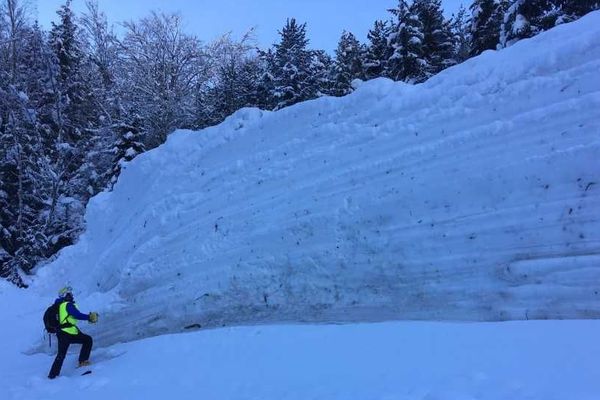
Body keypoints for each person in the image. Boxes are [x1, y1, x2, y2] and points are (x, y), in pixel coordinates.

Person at [48, 286, 99, 379]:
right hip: (67, 333)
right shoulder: (67, 305)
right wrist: (89, 317)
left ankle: (52, 375)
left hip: (64, 332)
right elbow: (77, 315)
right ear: (65, 295)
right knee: (87, 340)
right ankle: (83, 361)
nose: (72, 295)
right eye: (70, 294)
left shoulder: (59, 306)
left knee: (61, 355)